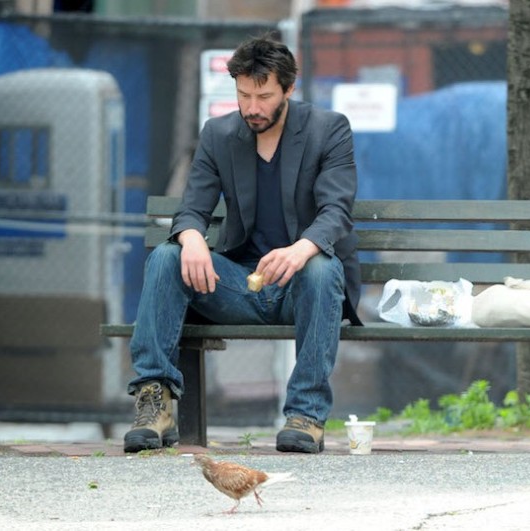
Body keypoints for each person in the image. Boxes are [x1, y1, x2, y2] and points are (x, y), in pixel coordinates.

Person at [123, 34, 361, 454]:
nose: (252, 107)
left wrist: (301, 249)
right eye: (244, 95)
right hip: (239, 286)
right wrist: (192, 237)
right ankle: (154, 403)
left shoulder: (329, 130)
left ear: (289, 88)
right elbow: (192, 208)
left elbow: (336, 212)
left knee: (322, 267)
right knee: (166, 255)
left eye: (264, 96)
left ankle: (306, 416)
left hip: (303, 288)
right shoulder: (219, 134)